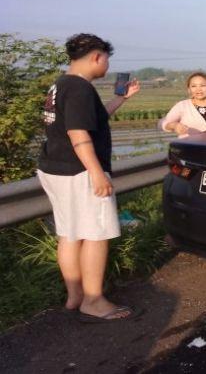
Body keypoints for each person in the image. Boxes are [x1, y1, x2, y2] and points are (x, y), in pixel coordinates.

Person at [37, 33, 141, 322]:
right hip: (80, 170)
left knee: (69, 234)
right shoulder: (80, 89)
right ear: (97, 56)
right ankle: (94, 300)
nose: (107, 65)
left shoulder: (61, 84)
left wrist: (119, 99)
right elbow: (78, 133)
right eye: (107, 59)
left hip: (54, 167)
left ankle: (75, 296)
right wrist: (97, 173)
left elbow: (87, 121)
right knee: (96, 234)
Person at [160, 72, 206, 137]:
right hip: (190, 149)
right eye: (194, 86)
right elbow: (164, 123)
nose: (198, 89)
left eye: (203, 85)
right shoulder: (182, 106)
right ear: (189, 89)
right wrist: (175, 125)